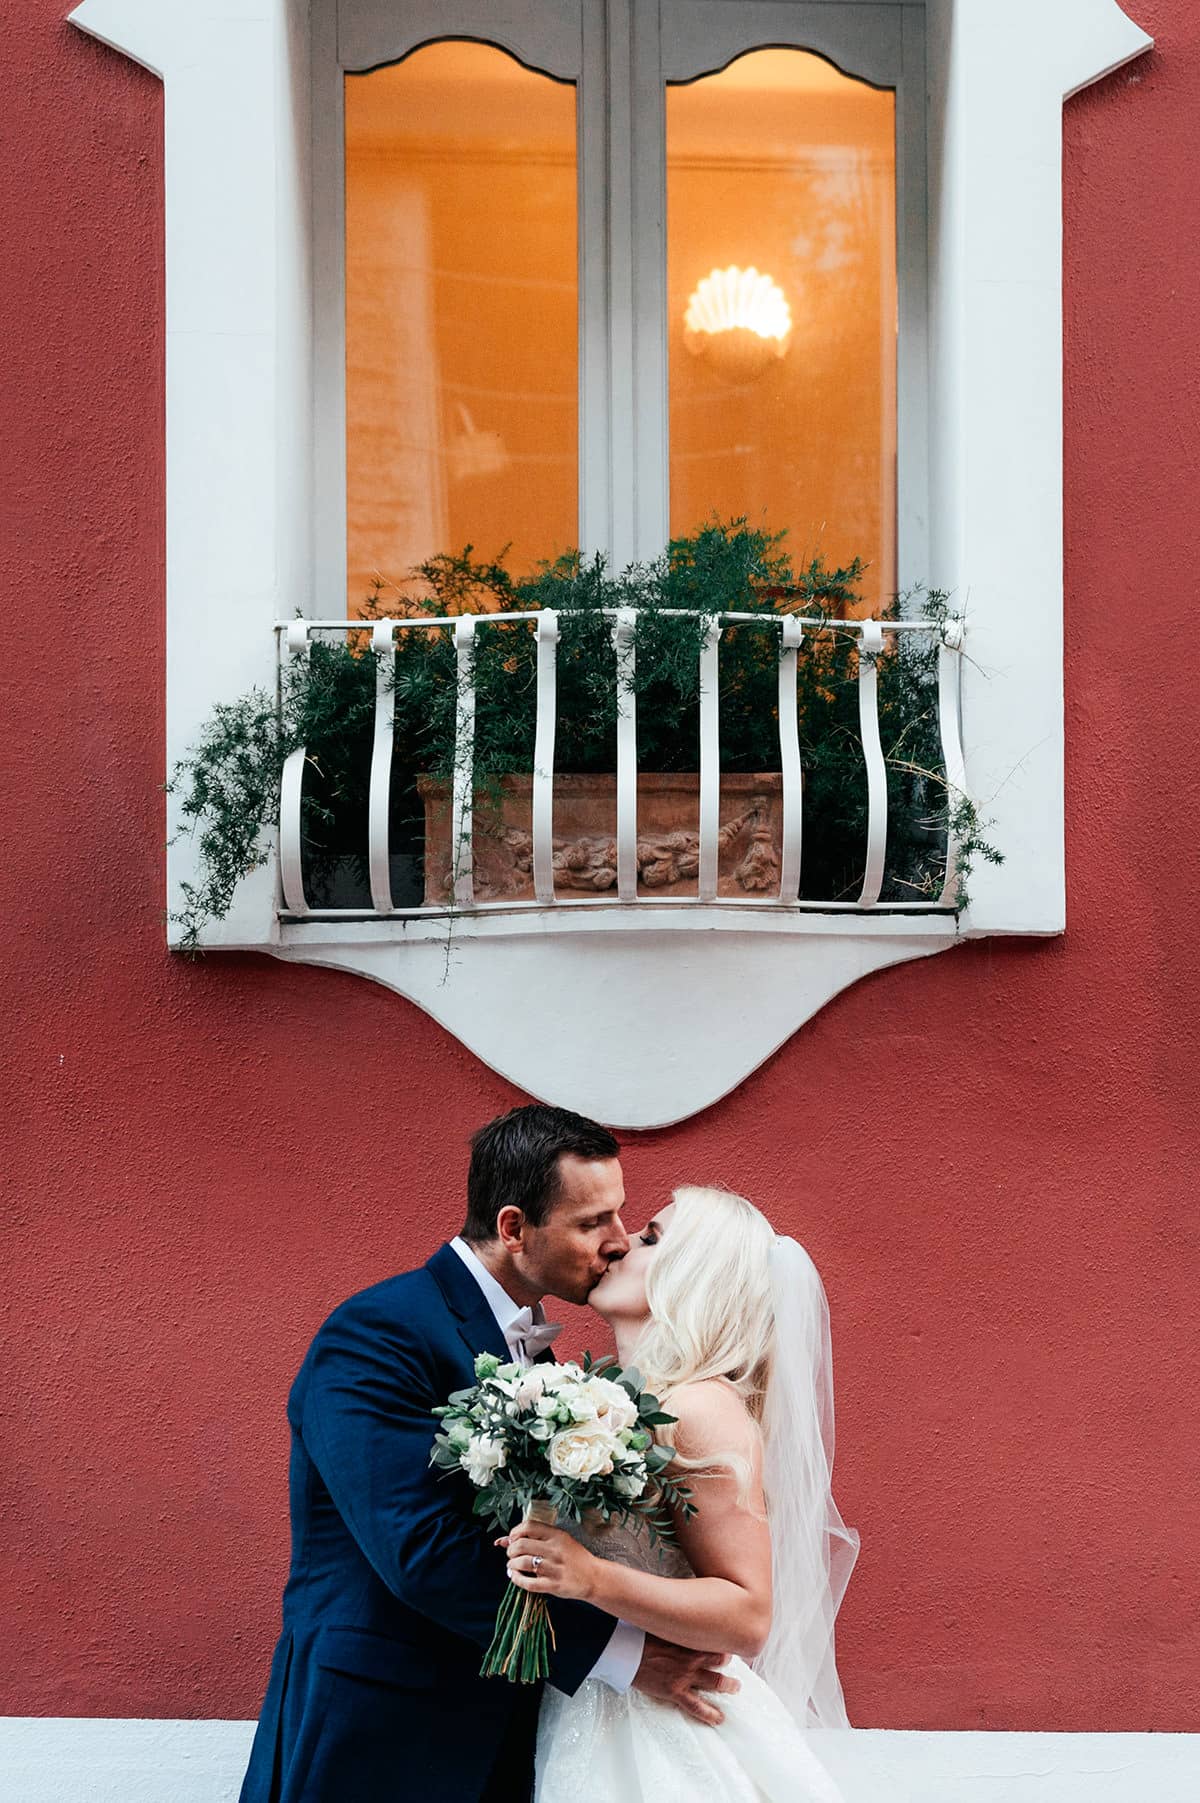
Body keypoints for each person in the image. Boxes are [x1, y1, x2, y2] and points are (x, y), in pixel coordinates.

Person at [238, 1107, 738, 1803]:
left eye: (620, 1216)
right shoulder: (379, 1332)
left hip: (501, 1728)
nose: (619, 1243)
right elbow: (420, 1549)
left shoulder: (542, 1355)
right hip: (382, 1728)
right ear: (513, 1228)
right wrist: (621, 1654)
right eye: (593, 1222)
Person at [502, 1186, 861, 1803]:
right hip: (595, 1710)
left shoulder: (698, 1406)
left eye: (649, 1238)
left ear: (695, 1276)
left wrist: (589, 1577)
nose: (617, 1245)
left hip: (668, 1736)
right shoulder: (613, 1398)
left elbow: (748, 1614)